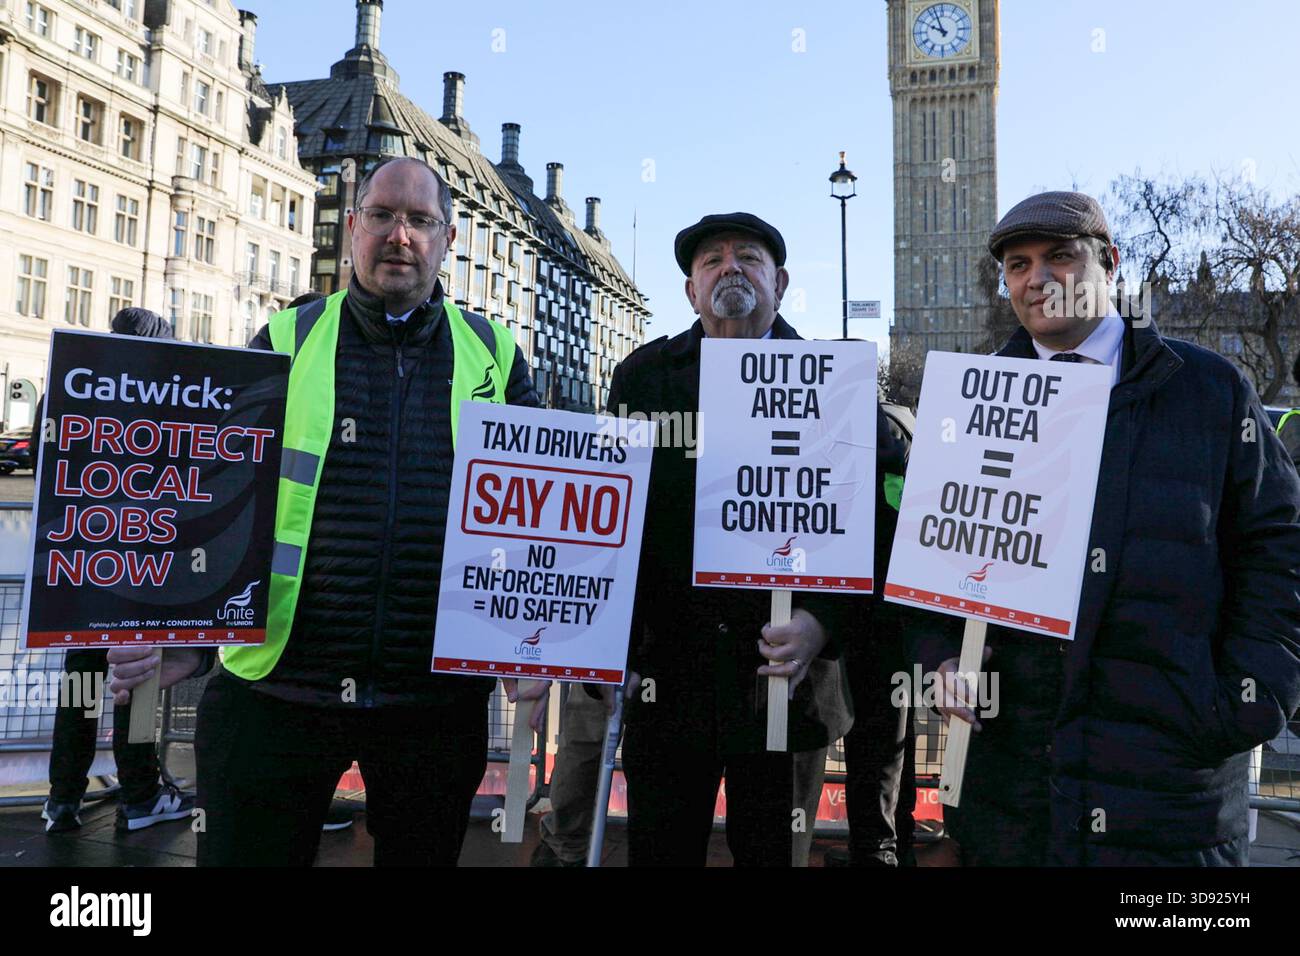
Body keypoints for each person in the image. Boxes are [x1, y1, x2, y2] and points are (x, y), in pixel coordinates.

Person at [108, 157, 541, 866]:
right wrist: (185, 629)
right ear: (352, 228)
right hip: (277, 689)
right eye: (382, 215)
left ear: (448, 239)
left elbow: (536, 520)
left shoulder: (495, 354)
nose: (400, 235)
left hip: (430, 702)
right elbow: (211, 495)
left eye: (420, 220)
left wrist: (537, 645)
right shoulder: (286, 339)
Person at [924, 190, 1300, 866]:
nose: (1037, 279)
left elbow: (1279, 544)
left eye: (1060, 256)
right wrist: (940, 658)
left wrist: (1249, 696)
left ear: (1111, 263)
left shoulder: (1210, 390)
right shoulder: (971, 400)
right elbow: (932, 561)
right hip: (1014, 794)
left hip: (1169, 793)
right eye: (1017, 264)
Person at [599, 212, 905, 866]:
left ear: (782, 282)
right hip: (669, 686)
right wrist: (609, 648)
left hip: (786, 696)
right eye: (711, 260)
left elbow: (884, 529)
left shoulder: (835, 383)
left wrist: (823, 622)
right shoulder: (643, 379)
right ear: (689, 289)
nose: (729, 268)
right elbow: (613, 524)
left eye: (749, 258)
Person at [42, 308, 196, 835]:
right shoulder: (165, 398)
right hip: (143, 581)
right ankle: (140, 794)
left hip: (83, 574)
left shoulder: (75, 386)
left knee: (80, 692)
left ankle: (62, 798)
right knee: (138, 690)